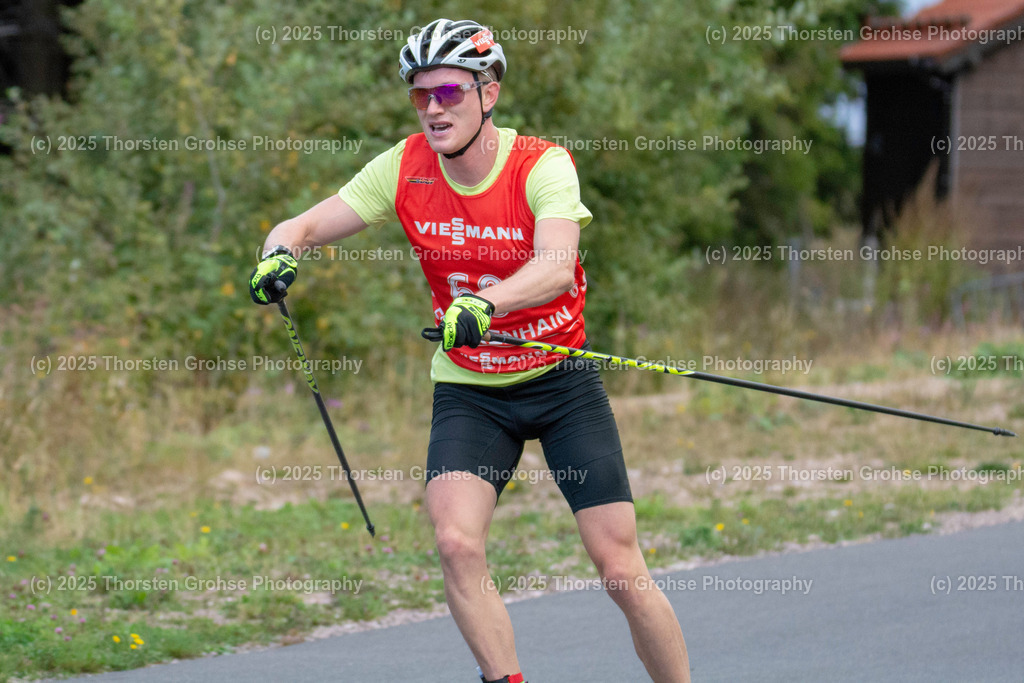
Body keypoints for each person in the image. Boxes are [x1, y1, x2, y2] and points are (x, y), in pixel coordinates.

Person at [249, 18, 690, 683]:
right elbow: (303, 224)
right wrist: (278, 254)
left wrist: (488, 303)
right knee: (456, 542)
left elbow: (556, 265)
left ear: (490, 93)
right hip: (471, 391)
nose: (433, 108)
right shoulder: (404, 167)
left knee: (619, 567)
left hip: (559, 380)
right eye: (420, 94)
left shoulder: (541, 164)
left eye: (450, 92)